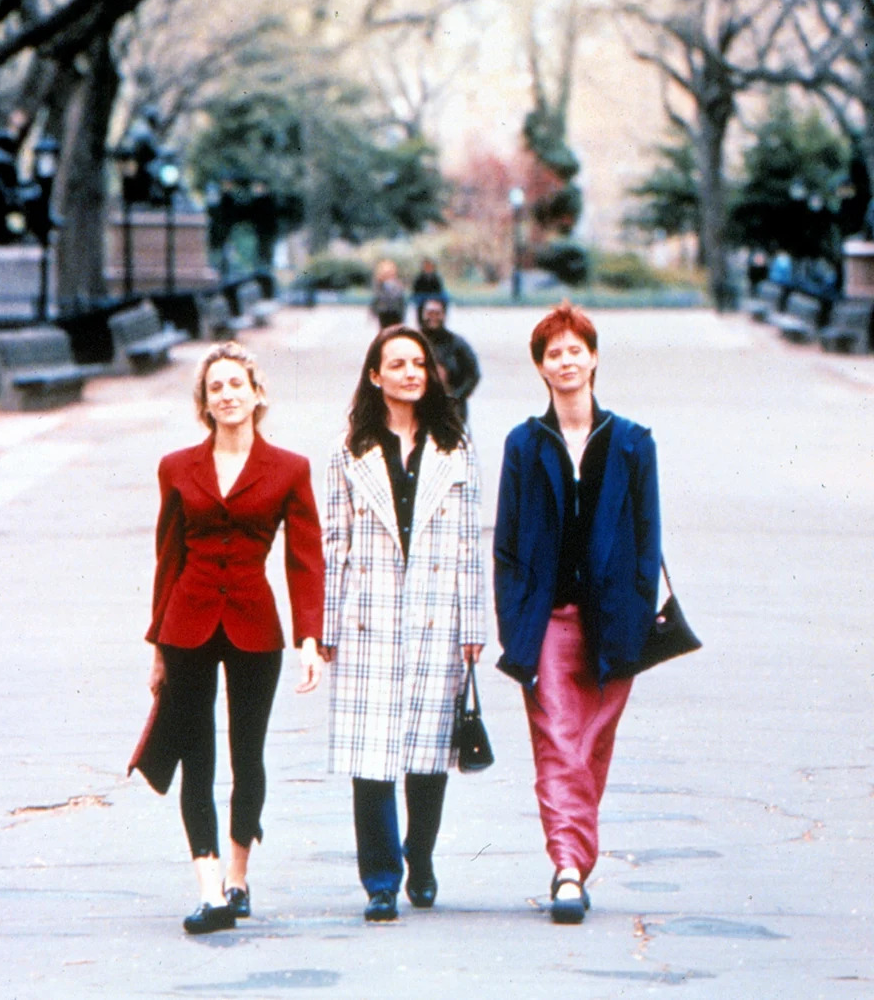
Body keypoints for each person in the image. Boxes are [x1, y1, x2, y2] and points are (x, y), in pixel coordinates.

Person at [131, 342, 324, 935]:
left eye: (237, 383)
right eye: (215, 387)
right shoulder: (176, 467)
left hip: (253, 624)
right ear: (204, 402)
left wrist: (309, 638)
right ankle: (210, 889)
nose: (227, 395)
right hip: (187, 623)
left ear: (257, 393)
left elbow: (304, 559)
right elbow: (167, 557)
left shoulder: (289, 468)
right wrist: (157, 645)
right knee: (196, 754)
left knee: (248, 755)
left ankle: (238, 877)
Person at [493, 302, 662, 925]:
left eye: (575, 350)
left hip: (614, 621)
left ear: (593, 358)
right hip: (547, 619)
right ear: (540, 367)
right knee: (559, 741)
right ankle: (567, 867)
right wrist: (515, 623)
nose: (565, 361)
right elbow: (507, 541)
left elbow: (648, 539)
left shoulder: (632, 442)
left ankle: (575, 858)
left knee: (590, 746)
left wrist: (637, 614)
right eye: (553, 353)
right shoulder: (523, 444)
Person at [322, 325, 485, 922]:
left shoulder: (455, 448)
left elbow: (469, 543)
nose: (412, 373)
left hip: (438, 616)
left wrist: (474, 625)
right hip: (369, 617)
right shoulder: (349, 451)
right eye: (398, 364)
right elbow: (334, 542)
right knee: (371, 755)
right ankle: (381, 879)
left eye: (419, 363)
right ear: (375, 376)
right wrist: (327, 629)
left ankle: (421, 855)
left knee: (428, 751)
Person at [418, 297, 481, 421]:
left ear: (444, 315)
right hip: (419, 407)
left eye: (437, 313)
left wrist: (457, 396)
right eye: (429, 313)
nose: (433, 317)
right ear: (422, 314)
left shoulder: (458, 344)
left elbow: (473, 374)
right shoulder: (413, 342)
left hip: (451, 410)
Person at [370, 259, 406, 329]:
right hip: (384, 313)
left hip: (395, 313)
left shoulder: (398, 285)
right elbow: (376, 299)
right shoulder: (379, 285)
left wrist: (402, 315)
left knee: (395, 331)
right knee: (385, 331)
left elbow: (401, 301)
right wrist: (373, 312)